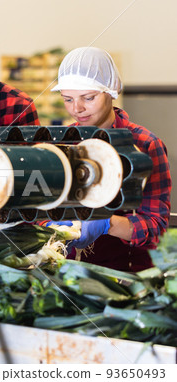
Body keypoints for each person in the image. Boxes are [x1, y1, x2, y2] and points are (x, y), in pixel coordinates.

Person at [49, 47, 171, 272]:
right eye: (68, 99)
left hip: (129, 273)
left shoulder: (145, 144)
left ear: (111, 91)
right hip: (70, 271)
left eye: (88, 98)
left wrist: (107, 223)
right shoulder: (62, 144)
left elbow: (157, 225)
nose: (77, 109)